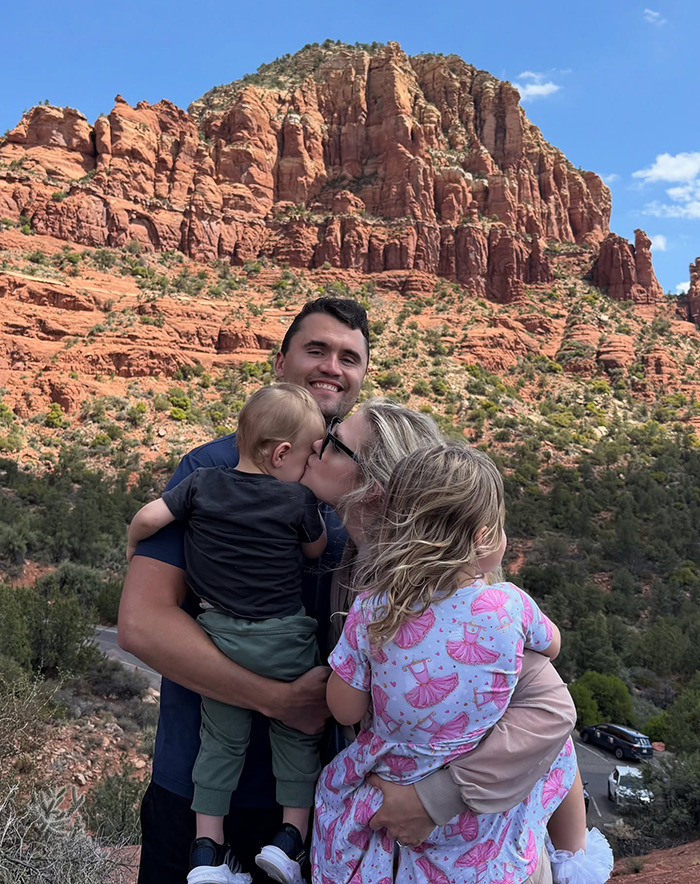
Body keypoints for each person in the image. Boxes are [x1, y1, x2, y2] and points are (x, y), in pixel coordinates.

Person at [118, 298, 576, 884]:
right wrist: (277, 698)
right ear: (280, 360)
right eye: (316, 349)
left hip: (331, 803)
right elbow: (140, 624)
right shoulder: (211, 473)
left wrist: (438, 797)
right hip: (205, 783)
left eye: (350, 357)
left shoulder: (416, 542)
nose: (332, 367)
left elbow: (540, 702)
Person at [309, 443, 613, 883]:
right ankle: (571, 860)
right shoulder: (508, 606)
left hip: (393, 791)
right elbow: (553, 647)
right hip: (484, 823)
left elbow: (345, 709)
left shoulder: (373, 609)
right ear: (485, 537)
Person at [127, 384, 328, 884]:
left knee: (219, 744)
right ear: (283, 454)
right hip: (285, 639)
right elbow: (314, 550)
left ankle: (206, 854)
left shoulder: (201, 481)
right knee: (299, 739)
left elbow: (148, 517)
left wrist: (133, 548)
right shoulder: (299, 496)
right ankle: (290, 842)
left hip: (219, 638)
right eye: (306, 457)